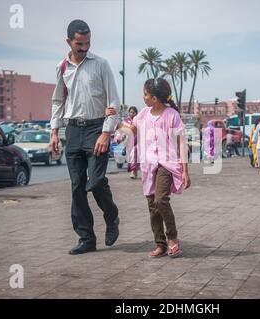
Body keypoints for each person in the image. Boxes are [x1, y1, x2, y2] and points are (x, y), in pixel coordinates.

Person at [50, 19, 120, 255]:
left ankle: (111, 216)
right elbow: (58, 101)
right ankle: (86, 238)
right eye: (80, 43)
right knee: (77, 186)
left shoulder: (101, 64)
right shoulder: (62, 68)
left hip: (96, 129)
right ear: (68, 41)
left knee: (97, 181)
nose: (84, 47)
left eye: (88, 42)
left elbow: (113, 101)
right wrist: (54, 132)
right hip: (73, 130)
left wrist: (106, 132)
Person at [109, 78, 191, 258]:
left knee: (161, 199)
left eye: (145, 94)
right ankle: (160, 244)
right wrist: (114, 120)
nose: (143, 97)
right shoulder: (143, 114)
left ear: (154, 98)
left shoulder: (172, 115)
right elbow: (131, 130)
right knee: (152, 205)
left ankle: (172, 238)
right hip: (148, 165)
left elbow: (182, 143)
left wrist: (185, 171)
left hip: (167, 164)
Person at [121, 106, 140, 179]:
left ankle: (133, 172)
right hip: (129, 143)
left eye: (133, 112)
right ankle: (134, 172)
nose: (132, 114)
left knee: (134, 155)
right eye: (130, 112)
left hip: (137, 142)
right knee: (131, 157)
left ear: (136, 113)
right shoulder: (125, 121)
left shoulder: (139, 121)